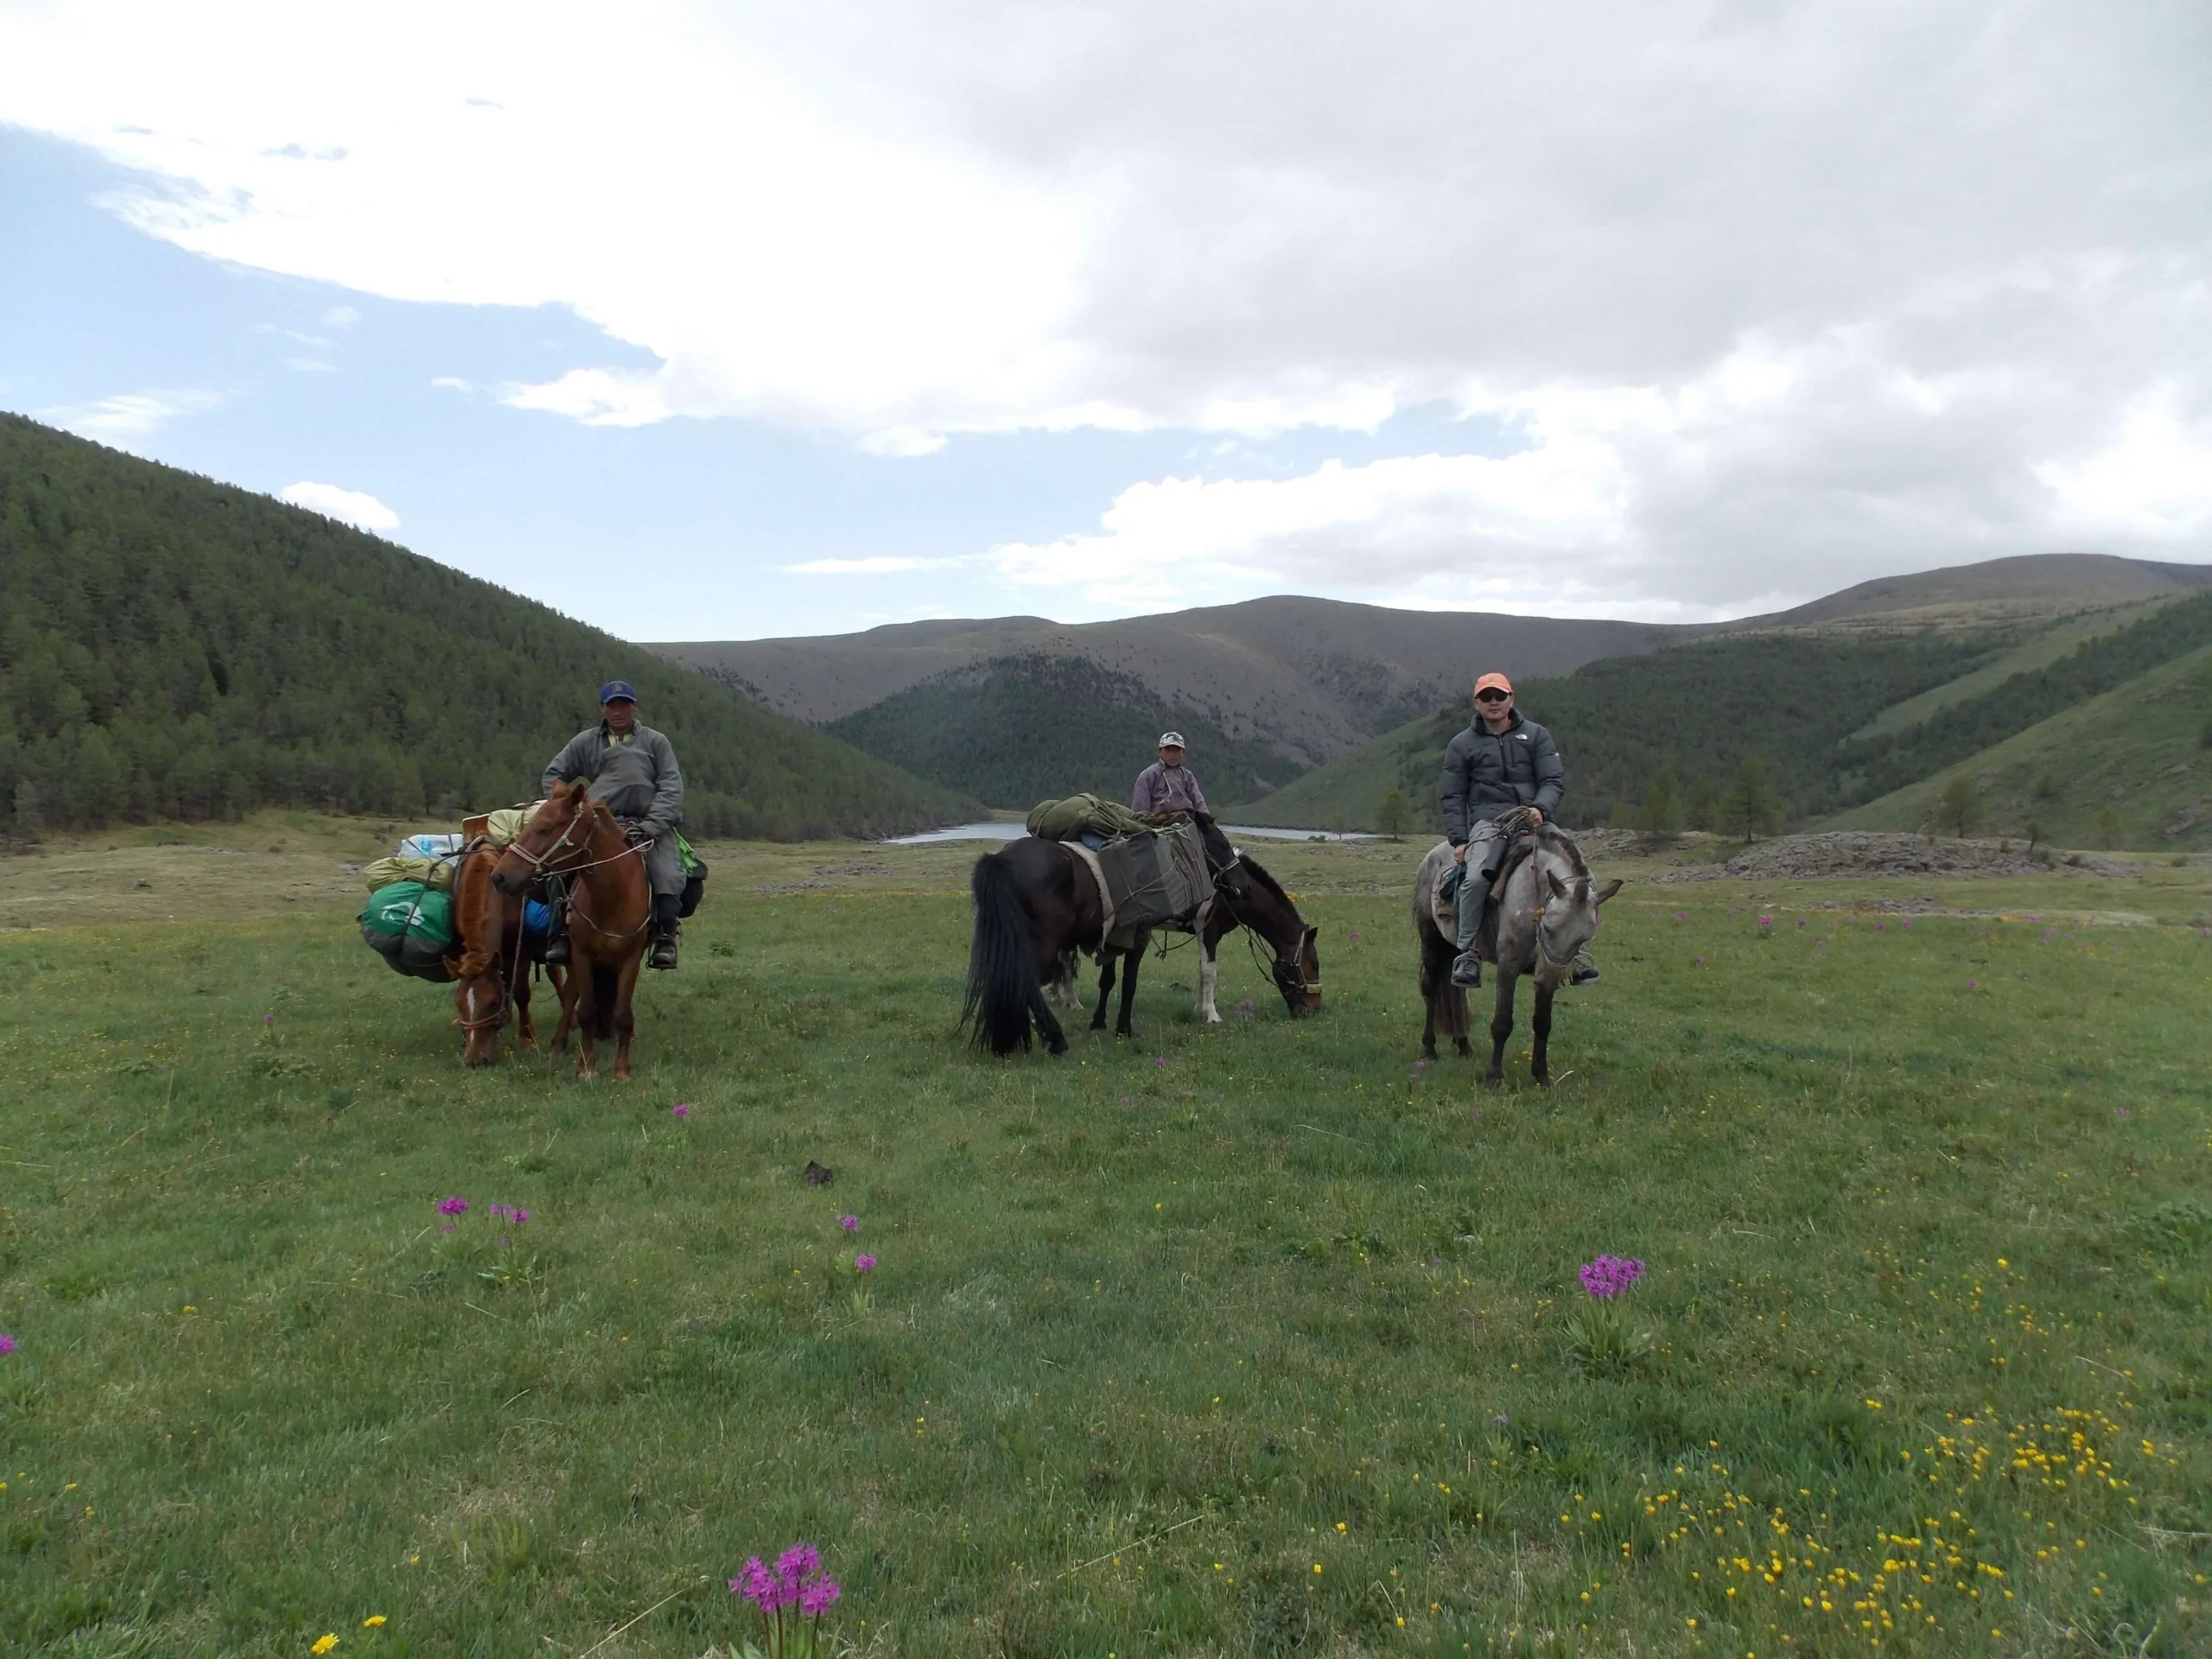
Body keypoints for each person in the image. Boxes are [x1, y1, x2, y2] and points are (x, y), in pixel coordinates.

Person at [1440, 671, 1596, 988]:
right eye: (1487, 697)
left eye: (1500, 696)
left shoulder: (1537, 736)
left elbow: (1553, 780)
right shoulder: (1461, 744)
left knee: (1583, 880)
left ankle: (1576, 953)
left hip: (1535, 818)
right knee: (1472, 879)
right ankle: (1469, 953)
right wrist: (1459, 839)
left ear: (1512, 699)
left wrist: (1540, 808)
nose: (1494, 702)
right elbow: (1453, 795)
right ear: (1476, 703)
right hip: (1490, 822)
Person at [540, 681, 686, 970]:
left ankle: (665, 937)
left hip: (646, 825)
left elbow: (671, 787)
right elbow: (554, 774)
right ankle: (560, 935)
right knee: (561, 866)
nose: (618, 711)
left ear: (634, 706)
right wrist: (566, 807)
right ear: (603, 709)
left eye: (624, 705)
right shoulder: (585, 742)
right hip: (597, 823)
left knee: (667, 872)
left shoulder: (656, 742)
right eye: (611, 705)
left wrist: (652, 825)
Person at [1131, 731, 1210, 816]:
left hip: (1187, 820)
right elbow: (1140, 809)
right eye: (1168, 750)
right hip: (1158, 824)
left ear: (1183, 752)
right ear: (1160, 751)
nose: (1172, 755)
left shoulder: (1188, 776)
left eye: (1176, 751)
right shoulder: (1148, 776)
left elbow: (1199, 803)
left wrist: (1206, 821)